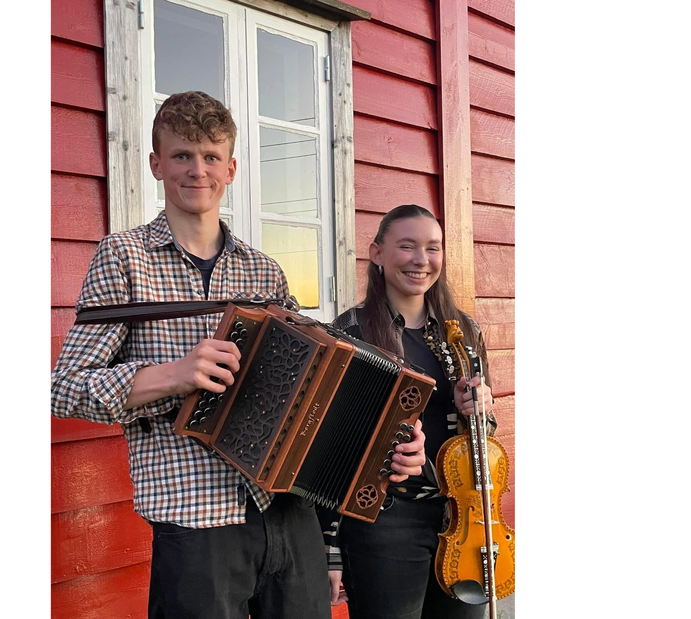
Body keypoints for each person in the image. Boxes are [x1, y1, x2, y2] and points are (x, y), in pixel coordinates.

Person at [51, 91, 426, 619]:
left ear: (230, 168)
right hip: (196, 515)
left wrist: (391, 440)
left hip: (288, 507)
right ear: (157, 164)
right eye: (182, 155)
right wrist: (175, 375)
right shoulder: (123, 258)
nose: (196, 170)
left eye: (209, 157)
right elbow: (66, 387)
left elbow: (328, 382)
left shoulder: (263, 270)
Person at [322, 204, 499, 619]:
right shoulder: (351, 334)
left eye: (432, 248)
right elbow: (329, 450)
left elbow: (485, 435)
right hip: (384, 522)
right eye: (407, 246)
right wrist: (331, 551)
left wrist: (479, 411)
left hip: (462, 519)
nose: (422, 260)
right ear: (378, 254)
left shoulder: (465, 332)